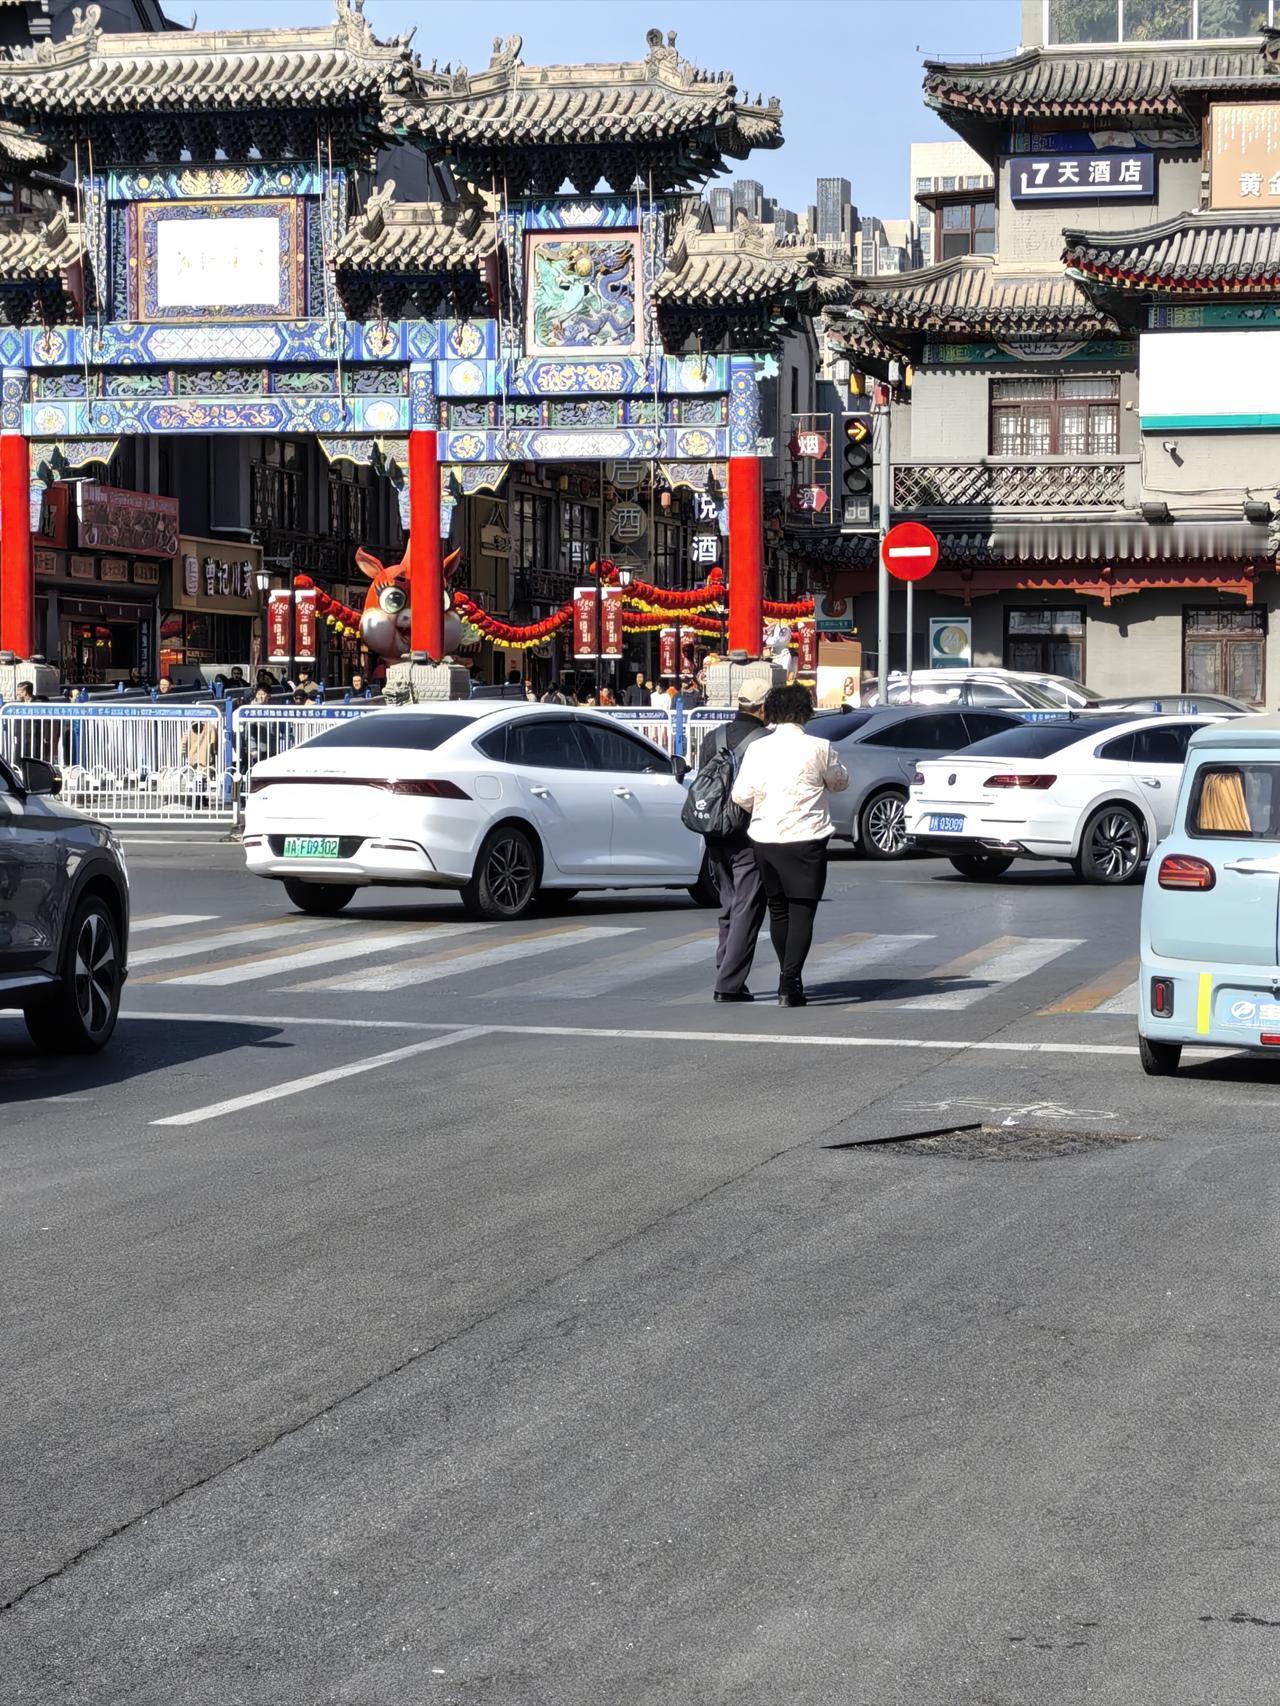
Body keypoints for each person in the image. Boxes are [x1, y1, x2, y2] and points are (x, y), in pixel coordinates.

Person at [731, 683, 848, 1007]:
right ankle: (790, 982)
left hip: (765, 837)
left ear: (772, 712)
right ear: (805, 712)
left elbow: (741, 795)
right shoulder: (819, 747)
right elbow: (840, 782)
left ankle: (788, 976)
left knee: (778, 909)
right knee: (802, 911)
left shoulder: (758, 748)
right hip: (807, 838)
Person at [700, 677, 771, 1003]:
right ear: (762, 706)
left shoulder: (714, 737)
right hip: (746, 833)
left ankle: (724, 969)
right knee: (748, 907)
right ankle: (728, 984)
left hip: (714, 832)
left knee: (728, 904)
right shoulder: (764, 742)